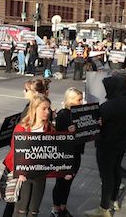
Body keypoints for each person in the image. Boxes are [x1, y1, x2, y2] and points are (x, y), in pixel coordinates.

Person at [84, 76, 126, 217]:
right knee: (116, 172)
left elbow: (97, 122)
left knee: (106, 176)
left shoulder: (108, 106)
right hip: (120, 142)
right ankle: (114, 200)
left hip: (106, 144)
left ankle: (104, 208)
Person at [3, 94, 54, 217]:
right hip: (23, 176)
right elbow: (15, 152)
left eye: (49, 108)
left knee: (34, 211)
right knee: (21, 210)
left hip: (40, 176)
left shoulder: (50, 129)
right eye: (44, 108)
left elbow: (56, 152)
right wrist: (19, 171)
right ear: (34, 109)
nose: (47, 112)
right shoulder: (22, 128)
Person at [51, 88, 84, 217]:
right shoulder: (63, 114)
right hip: (64, 155)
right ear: (70, 100)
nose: (81, 102)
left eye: (81, 99)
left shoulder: (79, 113)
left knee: (68, 183)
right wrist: (67, 131)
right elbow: (57, 135)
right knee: (61, 183)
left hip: (76, 153)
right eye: (79, 99)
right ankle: (55, 208)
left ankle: (63, 207)